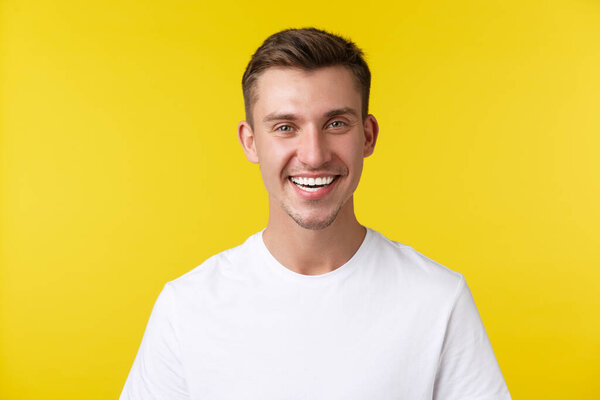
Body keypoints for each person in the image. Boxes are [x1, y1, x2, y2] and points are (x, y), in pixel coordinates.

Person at [120, 28, 511, 400]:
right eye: (286, 127)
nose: (314, 154)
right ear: (251, 142)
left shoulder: (438, 299)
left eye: (336, 123)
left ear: (368, 135)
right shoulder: (186, 306)